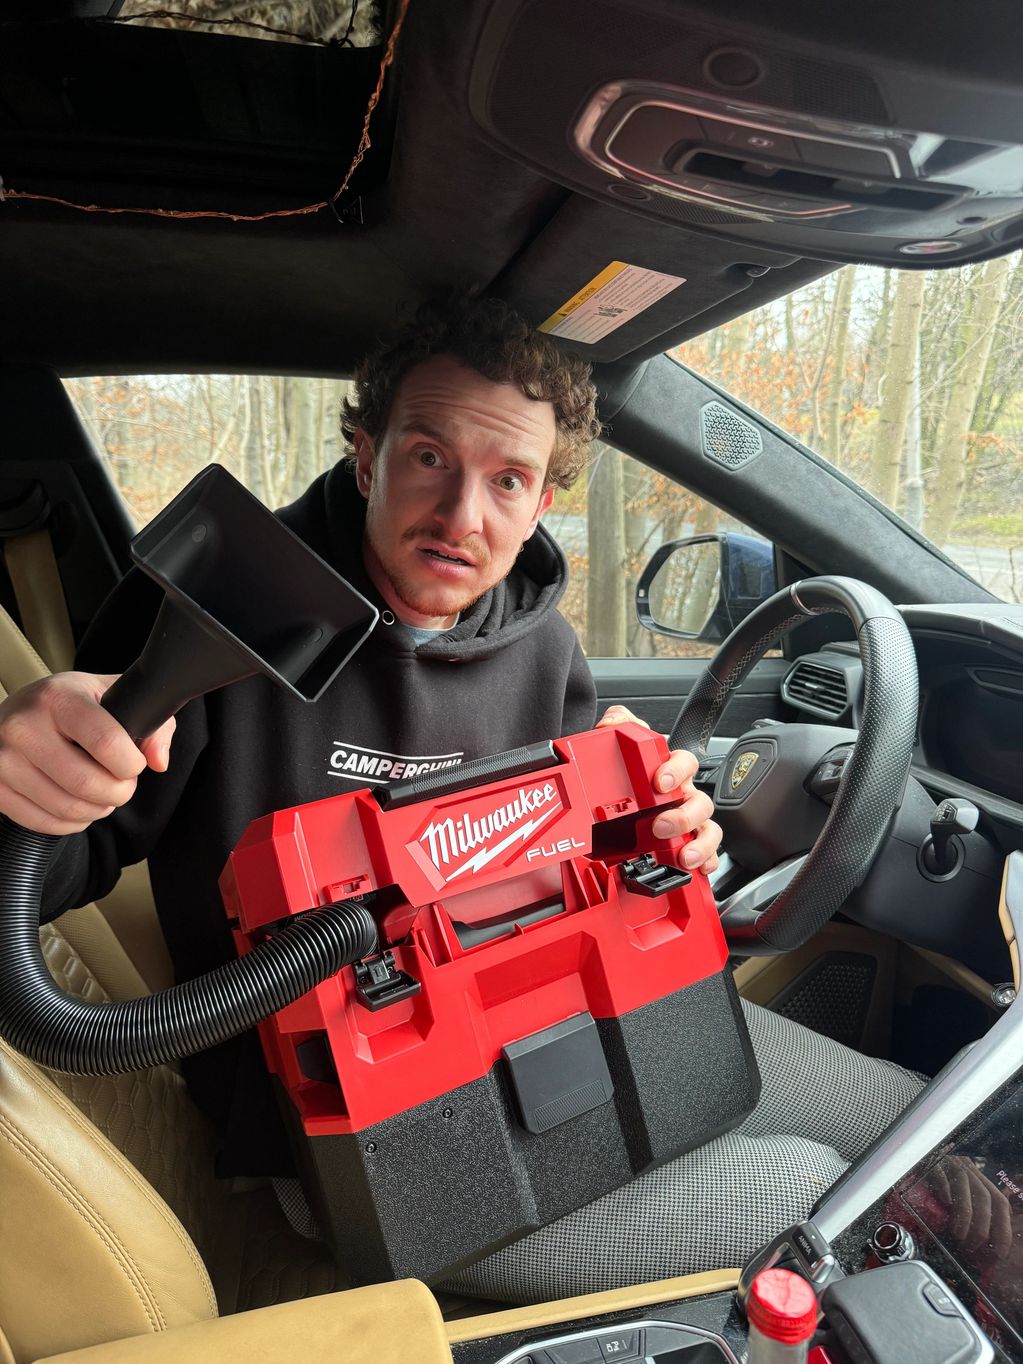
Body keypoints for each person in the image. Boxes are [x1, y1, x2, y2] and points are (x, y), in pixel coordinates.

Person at [0, 294, 922, 1301]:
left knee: (903, 1122)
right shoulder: (220, 609)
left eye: (507, 480)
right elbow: (53, 868)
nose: (461, 517)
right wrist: (28, 778)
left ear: (542, 499)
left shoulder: (546, 648)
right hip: (354, 1128)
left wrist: (667, 836)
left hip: (564, 1019)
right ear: (367, 457)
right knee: (814, 1195)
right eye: (429, 457)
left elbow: (585, 868)